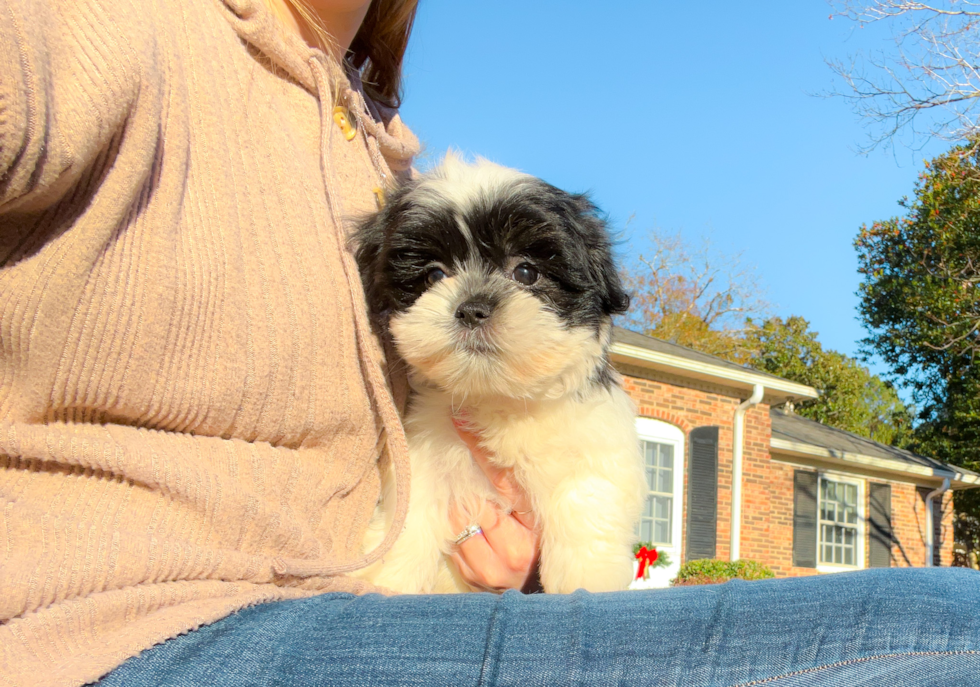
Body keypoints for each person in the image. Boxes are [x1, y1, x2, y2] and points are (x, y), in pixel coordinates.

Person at [1, 1, 979, 685]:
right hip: (119, 632)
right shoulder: (107, 24)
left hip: (359, 621)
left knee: (952, 613)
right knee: (948, 629)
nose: (470, 300)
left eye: (518, 276)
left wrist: (527, 572)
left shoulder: (377, 148)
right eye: (426, 276)